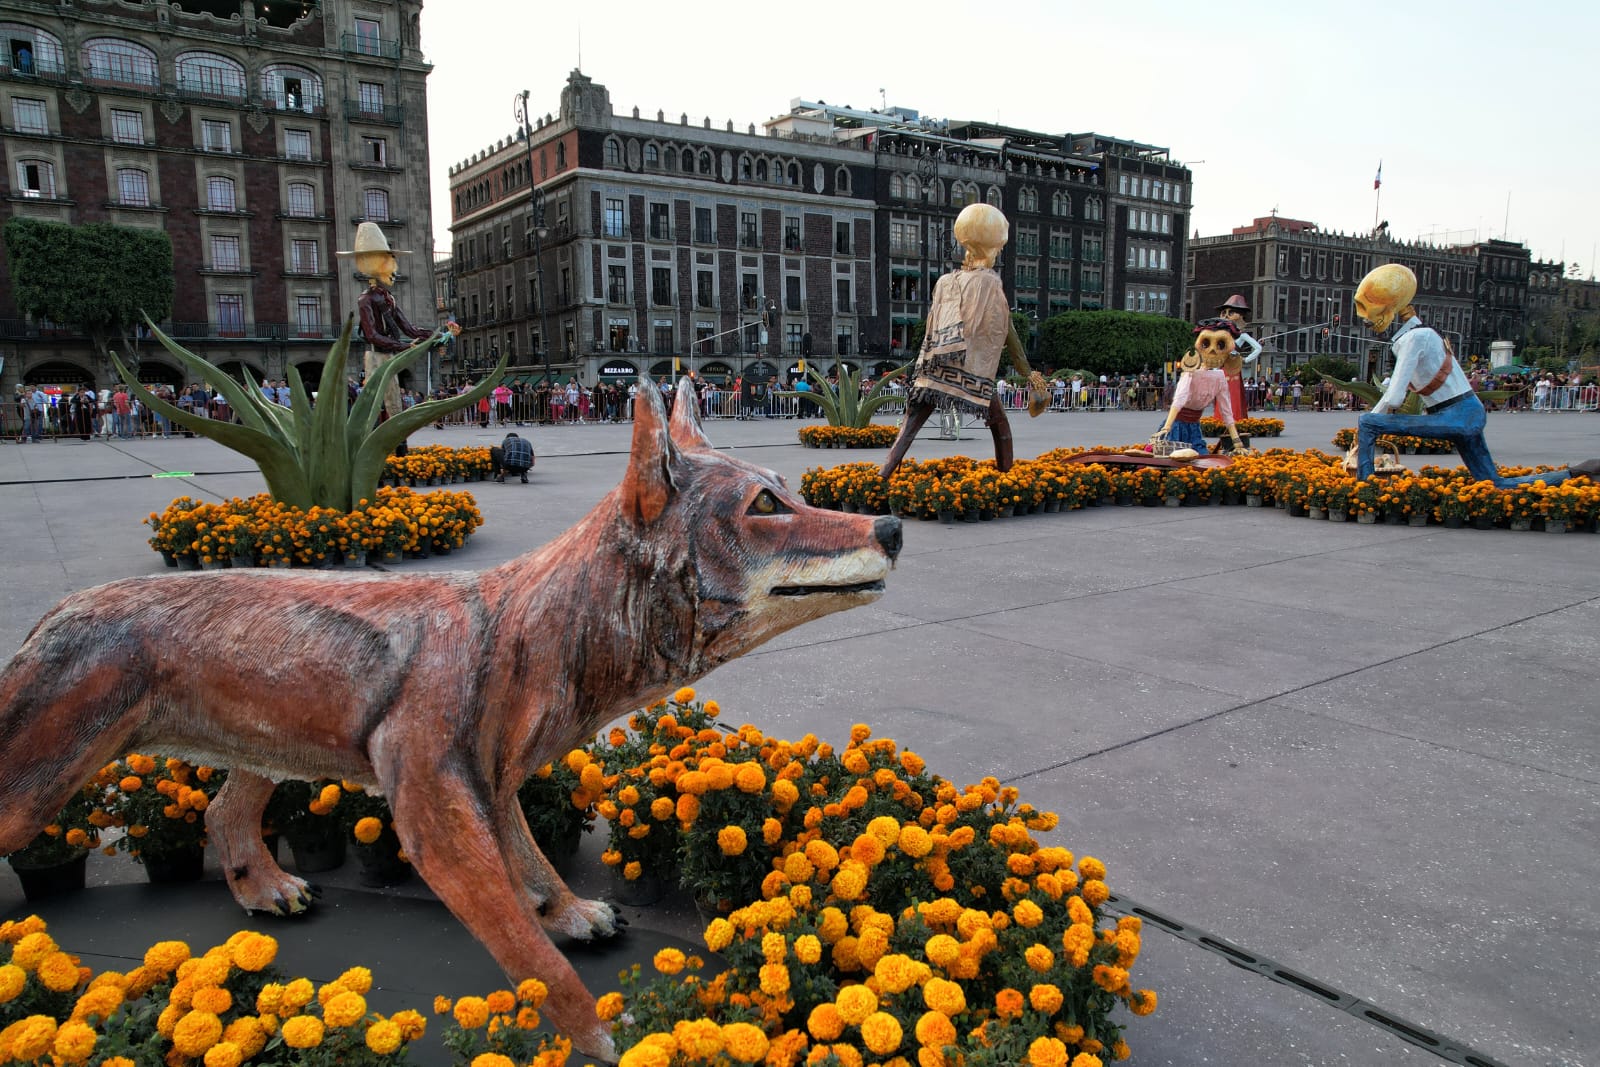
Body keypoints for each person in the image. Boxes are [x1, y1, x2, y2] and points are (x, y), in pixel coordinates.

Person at [1352, 263, 1599, 487]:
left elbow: (1394, 398)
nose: (1364, 317)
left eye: (1367, 307)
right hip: (1466, 411)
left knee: (1367, 423)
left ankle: (1365, 488)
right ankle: (1576, 474)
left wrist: (1365, 429)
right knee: (1494, 484)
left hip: (1455, 414)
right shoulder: (1424, 334)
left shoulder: (1414, 339)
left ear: (1391, 306)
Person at [880, 203, 1047, 479]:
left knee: (910, 426)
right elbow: (1006, 330)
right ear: (992, 244)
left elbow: (934, 325)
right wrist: (1029, 374)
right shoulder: (990, 282)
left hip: (936, 366)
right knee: (1000, 425)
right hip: (972, 370)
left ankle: (881, 476)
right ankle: (1008, 479)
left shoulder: (946, 281)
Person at [337, 222, 433, 456]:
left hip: (388, 354)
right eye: (388, 260)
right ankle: (369, 446)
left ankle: (399, 447)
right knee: (375, 401)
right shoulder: (366, 300)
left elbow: (407, 327)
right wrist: (403, 346)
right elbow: (372, 335)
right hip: (376, 356)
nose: (393, 268)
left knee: (395, 403)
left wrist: (432, 335)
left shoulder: (387, 297)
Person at [1154, 319, 1245, 453]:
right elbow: (1179, 400)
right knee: (1173, 459)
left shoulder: (1219, 377)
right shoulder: (1190, 373)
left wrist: (1237, 442)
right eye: (1206, 343)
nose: (1213, 351)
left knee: (1200, 458)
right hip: (1176, 427)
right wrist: (1166, 428)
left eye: (1221, 345)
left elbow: (1226, 411)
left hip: (1194, 428)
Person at [1213, 295, 1262, 418]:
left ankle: (1235, 417)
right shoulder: (1219, 334)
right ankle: (1221, 417)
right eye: (1224, 312)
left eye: (1231, 312)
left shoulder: (1241, 335)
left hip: (1233, 369)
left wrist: (1245, 360)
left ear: (1240, 315)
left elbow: (1258, 348)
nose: (1226, 316)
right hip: (1222, 369)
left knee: (1233, 393)